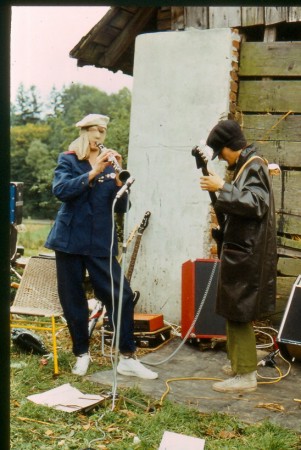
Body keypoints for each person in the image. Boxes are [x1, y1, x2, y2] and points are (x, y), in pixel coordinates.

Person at [45, 113, 158, 379]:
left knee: (122, 296)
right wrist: (94, 172)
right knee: (73, 300)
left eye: (103, 131)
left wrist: (120, 184)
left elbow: (121, 207)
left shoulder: (111, 165)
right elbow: (61, 190)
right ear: (84, 131)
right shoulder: (69, 159)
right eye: (96, 130)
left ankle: (127, 357)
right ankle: (81, 354)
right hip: (70, 241)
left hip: (100, 242)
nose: (100, 136)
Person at [199, 119, 277, 393]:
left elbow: (257, 204)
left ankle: (246, 376)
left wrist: (222, 187)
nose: (221, 158)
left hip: (248, 253)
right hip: (242, 251)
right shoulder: (248, 165)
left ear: (230, 147)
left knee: (239, 312)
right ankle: (239, 361)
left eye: (220, 153)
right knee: (233, 308)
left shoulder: (254, 165)